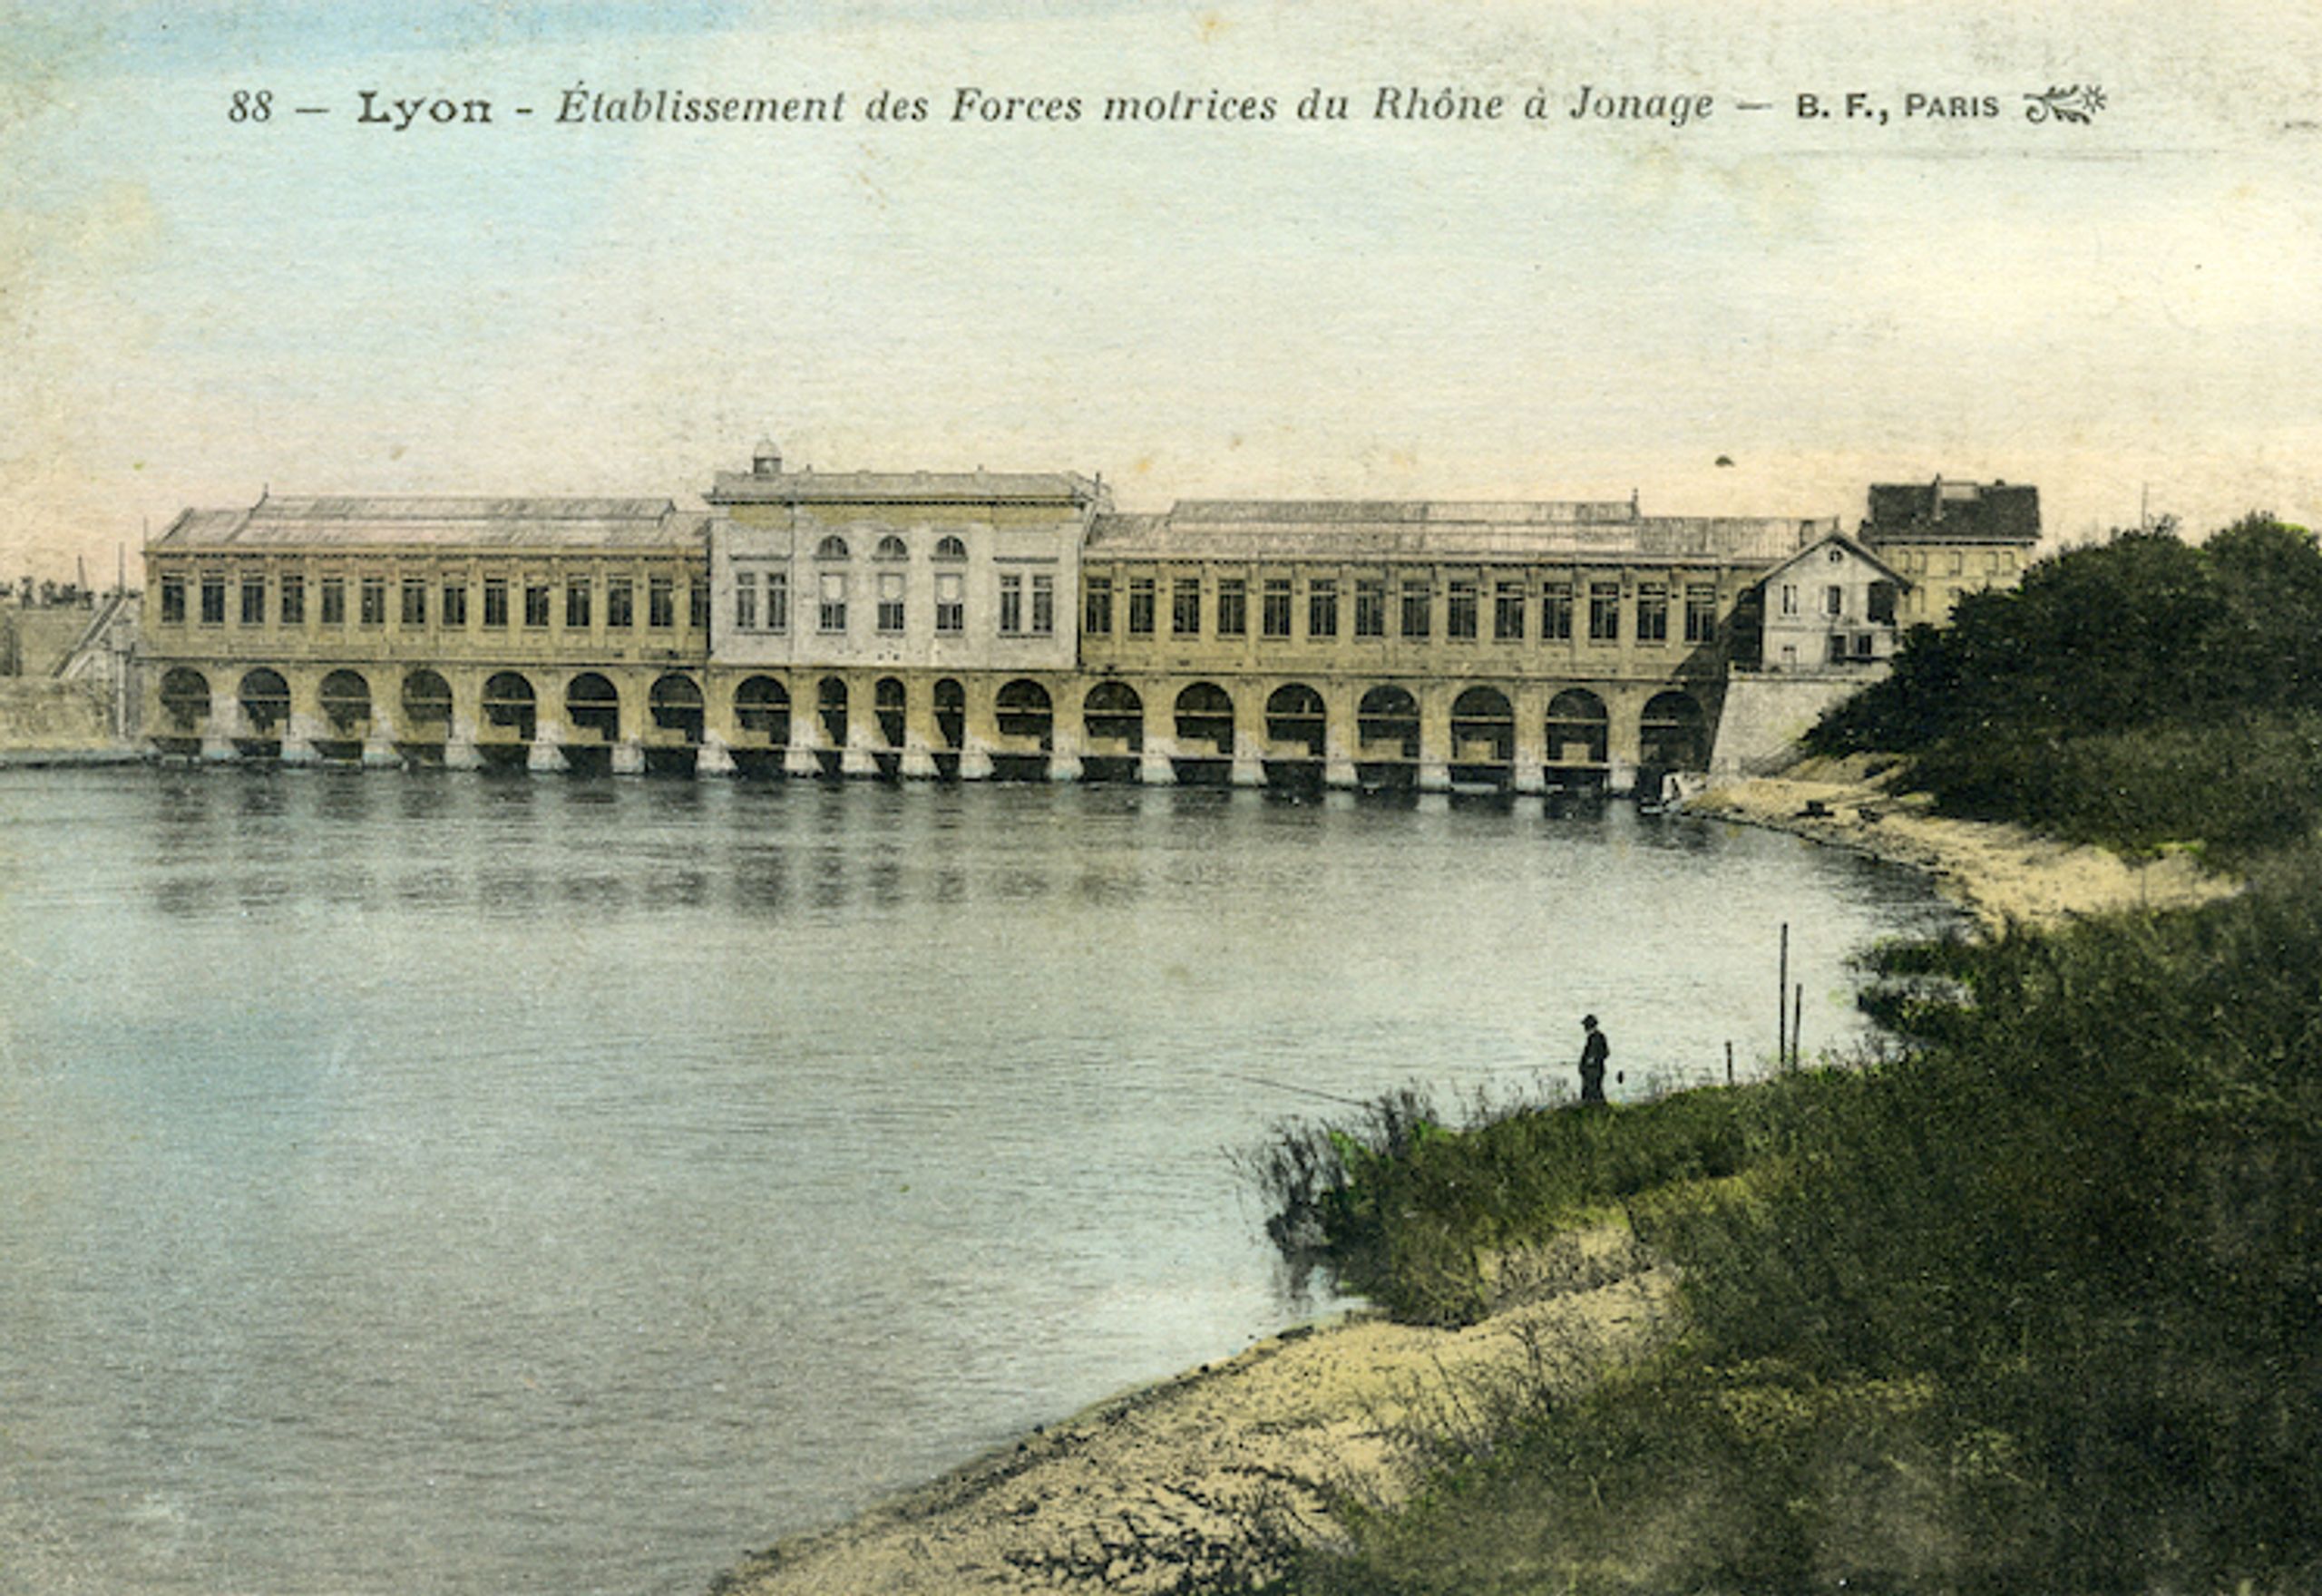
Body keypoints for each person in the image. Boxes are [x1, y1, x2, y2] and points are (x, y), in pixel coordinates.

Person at [1577, 1014, 1610, 1105]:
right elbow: (1606, 1053)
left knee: (1593, 1093)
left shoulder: (1595, 1038)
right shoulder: (1596, 1037)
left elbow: (1604, 1053)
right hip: (1594, 1071)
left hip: (1593, 1072)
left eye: (1585, 1025)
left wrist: (1593, 1060)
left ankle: (1598, 1111)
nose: (1584, 1028)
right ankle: (1598, 1110)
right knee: (1594, 1093)